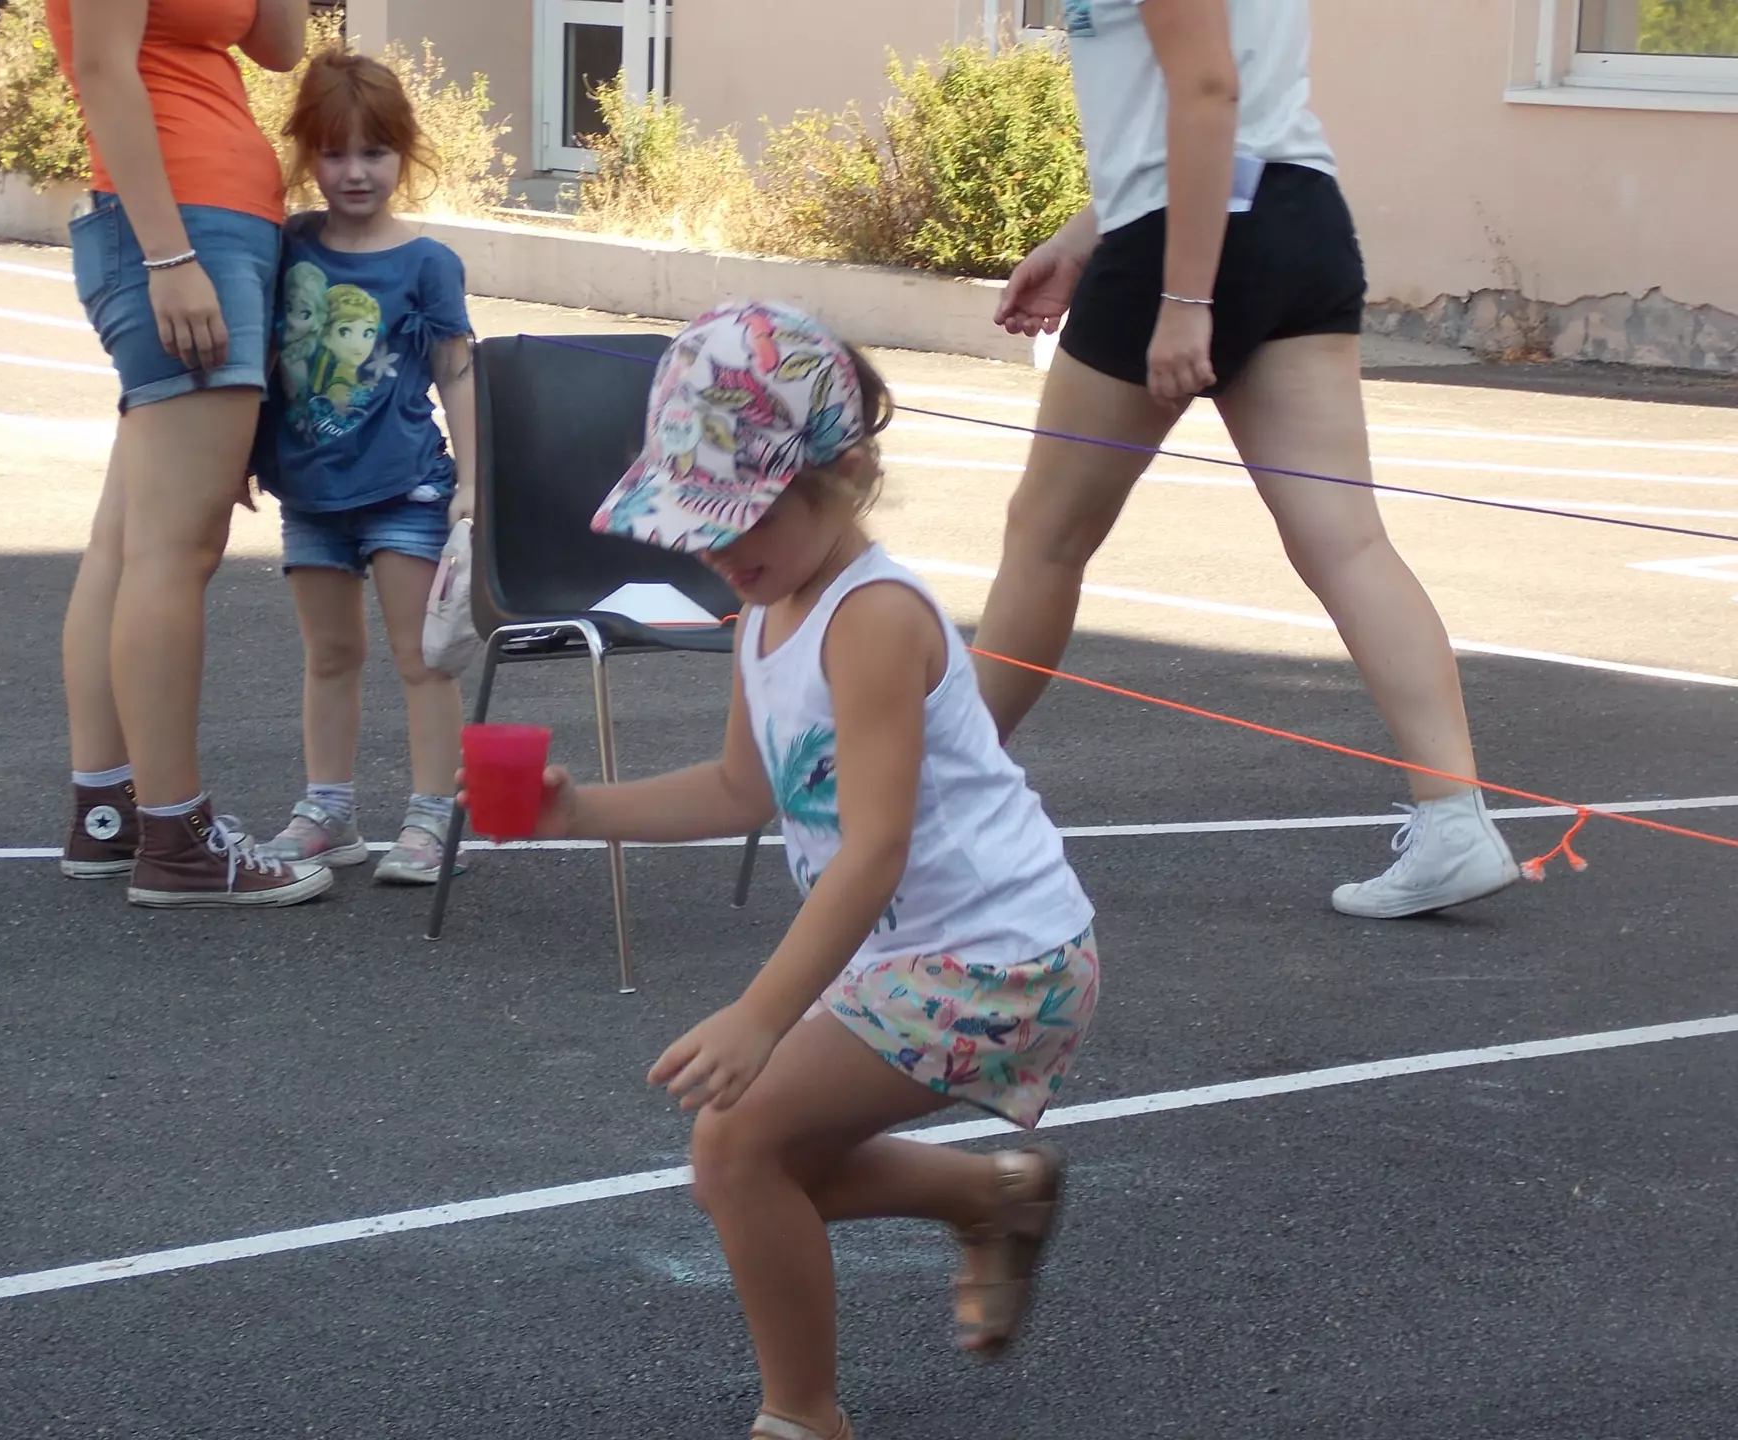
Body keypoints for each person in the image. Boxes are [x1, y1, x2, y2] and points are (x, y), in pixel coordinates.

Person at [463, 302, 1102, 1440]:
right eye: (700, 526)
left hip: (1004, 959)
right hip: (917, 953)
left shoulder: (872, 620)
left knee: (738, 1142)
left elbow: (876, 846)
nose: (720, 551)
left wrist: (763, 1015)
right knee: (747, 1168)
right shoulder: (765, 611)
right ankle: (988, 1194)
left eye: (744, 516)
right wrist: (574, 813)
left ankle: (802, 1417)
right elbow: (738, 792)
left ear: (843, 474)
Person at [979, 0, 1518, 919]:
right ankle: (1453, 819)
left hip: (1193, 234)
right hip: (1294, 216)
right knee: (1346, 542)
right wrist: (1083, 238)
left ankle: (918, 803)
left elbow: (1207, 89)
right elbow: (1203, 99)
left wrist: (1186, 294)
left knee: (1046, 539)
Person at [49, 0, 330, 906]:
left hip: (218, 225)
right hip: (177, 233)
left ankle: (111, 812)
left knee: (128, 539)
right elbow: (102, 69)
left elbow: (281, 48)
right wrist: (169, 256)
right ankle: (178, 837)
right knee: (178, 547)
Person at [251, 50, 478, 885]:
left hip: (406, 489)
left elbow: (458, 371)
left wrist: (473, 483)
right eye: (335, 152)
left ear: (404, 154)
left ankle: (429, 819)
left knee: (421, 656)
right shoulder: (288, 247)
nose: (354, 172)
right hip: (310, 492)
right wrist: (247, 453)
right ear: (308, 153)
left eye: (374, 153)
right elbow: (264, 359)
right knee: (329, 655)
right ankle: (327, 811)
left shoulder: (427, 264)